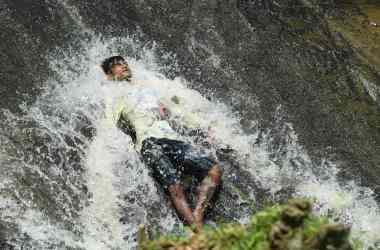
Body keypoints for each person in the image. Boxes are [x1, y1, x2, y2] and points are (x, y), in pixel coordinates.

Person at [101, 56, 222, 228]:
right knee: (175, 186)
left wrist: (204, 126)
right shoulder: (117, 97)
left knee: (214, 170)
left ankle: (198, 216)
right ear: (109, 75)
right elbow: (108, 123)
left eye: (123, 62)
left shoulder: (150, 88)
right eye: (116, 65)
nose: (123, 66)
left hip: (172, 139)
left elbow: (178, 109)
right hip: (149, 143)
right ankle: (198, 231)